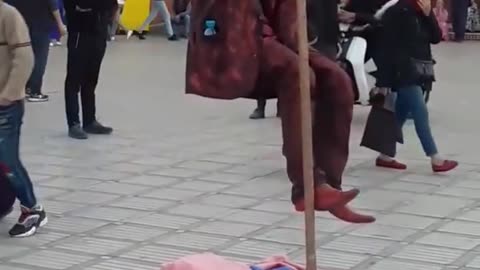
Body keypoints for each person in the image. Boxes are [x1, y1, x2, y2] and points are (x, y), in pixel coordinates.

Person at [187, 0, 375, 223]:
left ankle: (329, 186)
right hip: (233, 36)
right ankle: (306, 184)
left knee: (338, 81)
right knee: (297, 74)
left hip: (275, 36)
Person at [373, 0, 458, 172]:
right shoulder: (396, 11)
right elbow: (386, 48)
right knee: (420, 111)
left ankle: (385, 155)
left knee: (400, 113)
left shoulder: (422, 10)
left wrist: (428, 16)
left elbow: (435, 38)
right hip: (402, 71)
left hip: (421, 70)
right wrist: (383, 81)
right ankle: (435, 157)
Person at [0, 0, 47, 237]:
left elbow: (25, 57)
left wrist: (9, 94)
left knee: (7, 161)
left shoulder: (8, 15)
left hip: (5, 107)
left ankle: (32, 210)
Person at [64, 0, 117, 140]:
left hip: (98, 34)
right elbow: (82, 5)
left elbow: (111, 5)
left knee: (91, 80)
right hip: (80, 34)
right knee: (73, 80)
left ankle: (89, 120)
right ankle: (73, 123)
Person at [5, 0, 66, 103]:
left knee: (24, 55)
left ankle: (23, 86)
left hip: (21, 20)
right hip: (41, 21)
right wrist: (60, 23)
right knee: (39, 58)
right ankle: (34, 90)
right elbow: (52, 3)